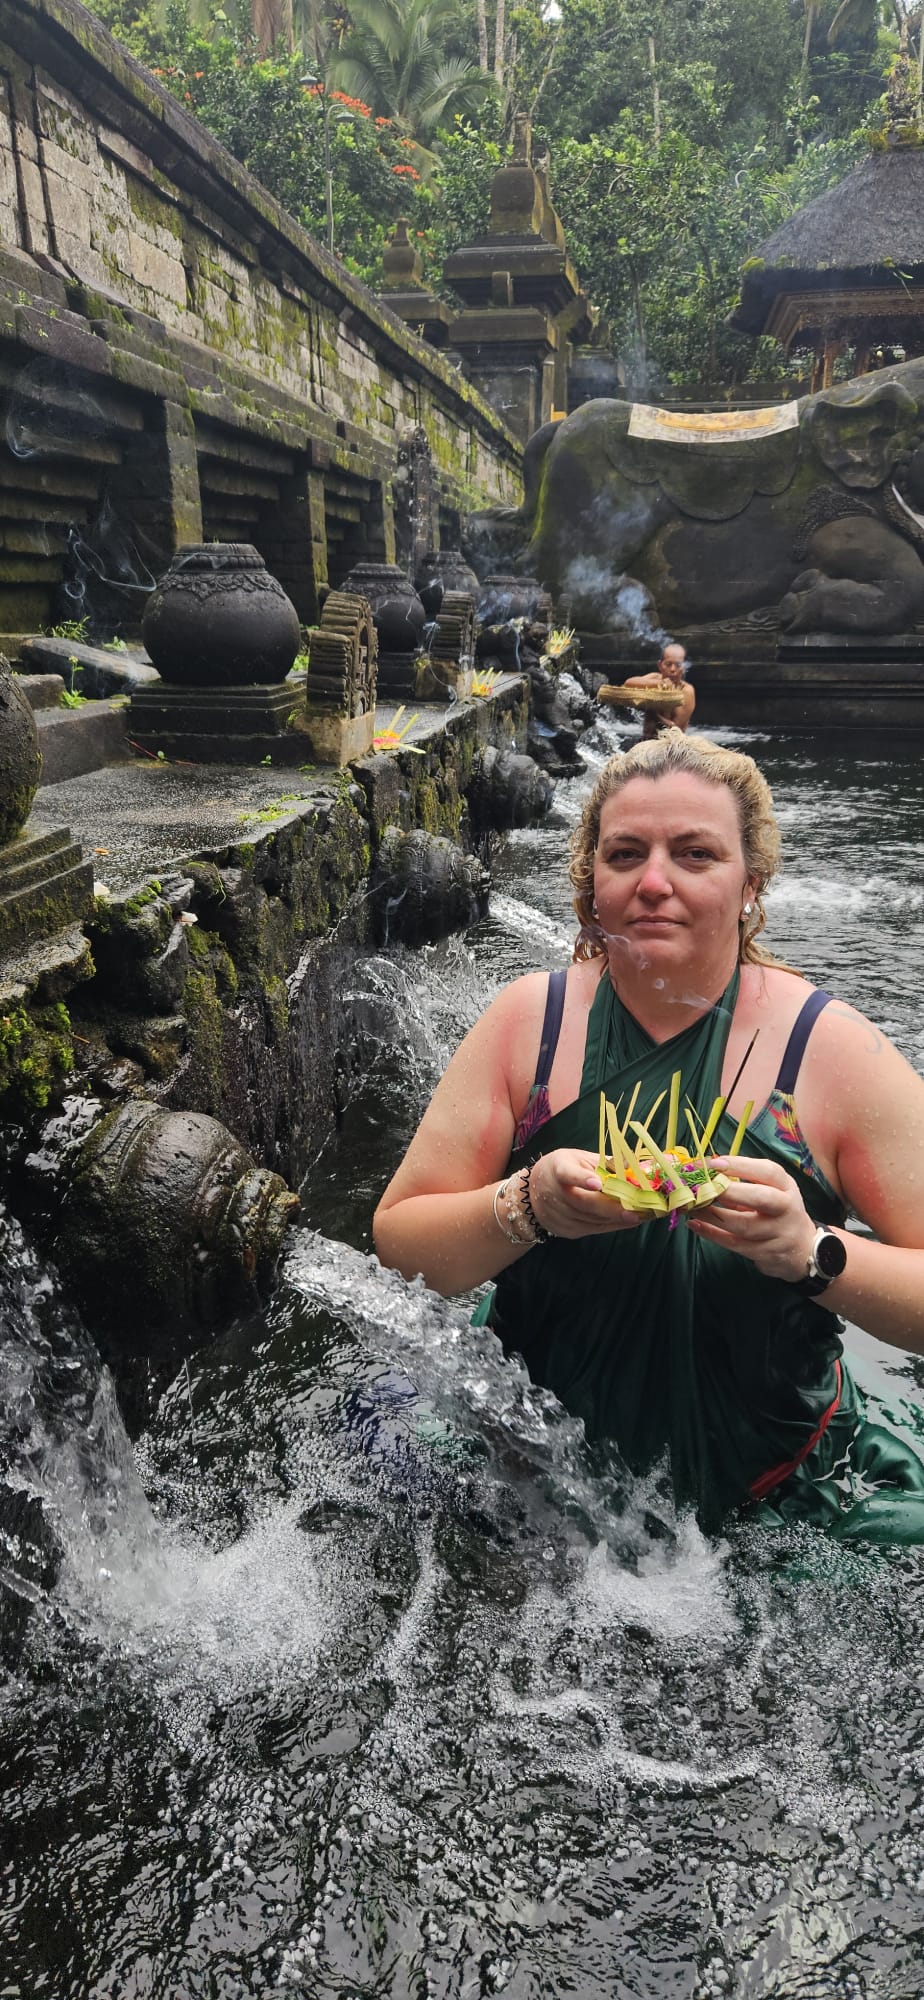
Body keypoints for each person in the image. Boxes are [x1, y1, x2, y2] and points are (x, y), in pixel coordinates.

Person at [374, 730, 924, 1540]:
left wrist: (810, 1252)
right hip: (530, 1481)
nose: (654, 882)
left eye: (696, 854)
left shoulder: (835, 1053)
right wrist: (527, 1206)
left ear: (751, 882)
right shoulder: (529, 1025)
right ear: (592, 881)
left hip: (779, 1492)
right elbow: (400, 1242)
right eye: (626, 854)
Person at [624, 641, 696, 737]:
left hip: (671, 743)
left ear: (684, 667)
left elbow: (676, 729)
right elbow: (628, 683)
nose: (673, 669)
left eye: (678, 665)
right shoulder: (655, 678)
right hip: (646, 740)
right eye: (668, 664)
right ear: (660, 665)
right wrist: (660, 683)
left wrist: (652, 713)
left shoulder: (686, 691)